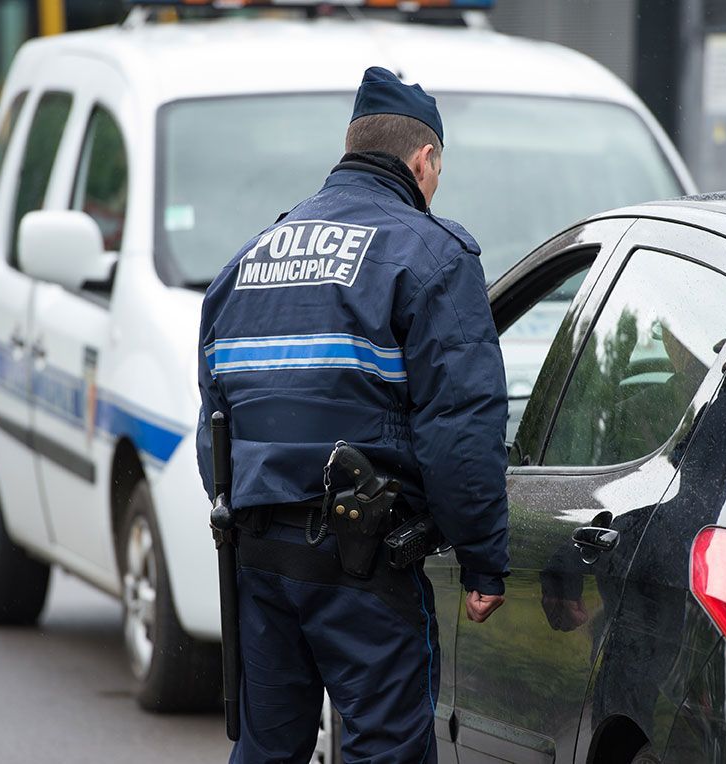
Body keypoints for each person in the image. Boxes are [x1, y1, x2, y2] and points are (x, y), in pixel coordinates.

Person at [196, 66, 510, 764]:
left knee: (266, 750)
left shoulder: (245, 262)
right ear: (423, 161)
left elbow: (214, 429)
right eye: (437, 172)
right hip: (362, 561)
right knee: (385, 750)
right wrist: (484, 559)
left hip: (257, 558)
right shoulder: (430, 252)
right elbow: (460, 424)